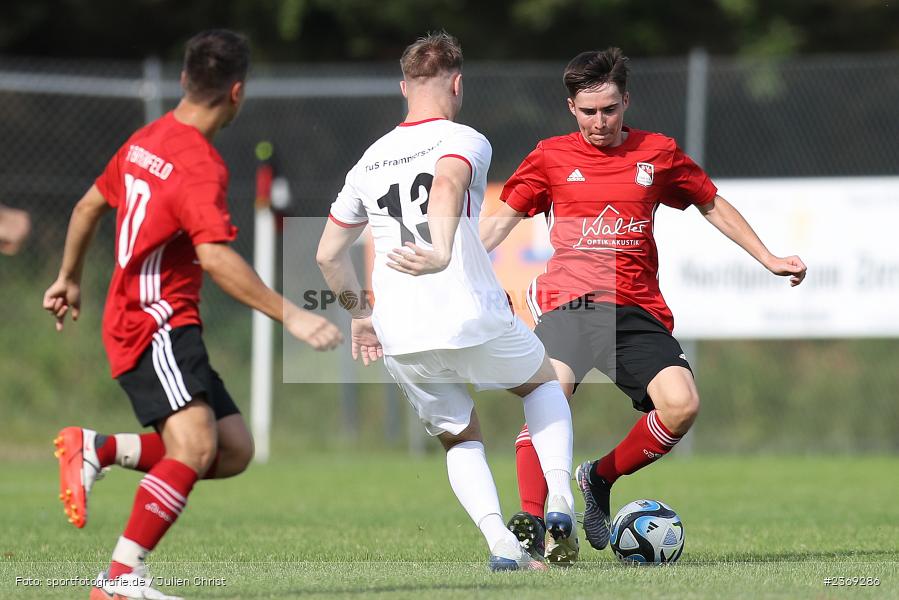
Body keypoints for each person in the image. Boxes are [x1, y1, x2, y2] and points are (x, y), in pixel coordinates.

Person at [43, 29, 342, 600]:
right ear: (237, 92)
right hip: (153, 320)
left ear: (184, 80)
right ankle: (122, 579)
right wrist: (294, 316)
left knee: (232, 450)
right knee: (197, 448)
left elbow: (86, 206)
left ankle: (98, 449)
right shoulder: (200, 166)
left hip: (151, 318)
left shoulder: (145, 139)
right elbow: (216, 258)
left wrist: (69, 277)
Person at [479, 47, 808, 554]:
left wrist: (768, 257)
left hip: (635, 308)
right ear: (571, 108)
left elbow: (710, 202)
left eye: (609, 109)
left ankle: (599, 478)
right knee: (549, 394)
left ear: (626, 101)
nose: (600, 122)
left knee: (682, 405)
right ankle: (534, 523)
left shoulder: (657, 152)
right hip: (570, 303)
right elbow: (498, 223)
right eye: (588, 111)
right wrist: (460, 271)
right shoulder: (550, 156)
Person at [316, 31, 578, 570]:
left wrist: (360, 315)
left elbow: (327, 254)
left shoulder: (367, 162)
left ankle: (502, 544)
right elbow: (446, 182)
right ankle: (560, 496)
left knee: (460, 438)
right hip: (468, 311)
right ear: (457, 85)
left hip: (400, 331)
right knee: (541, 383)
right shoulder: (464, 138)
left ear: (403, 88)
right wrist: (439, 251)